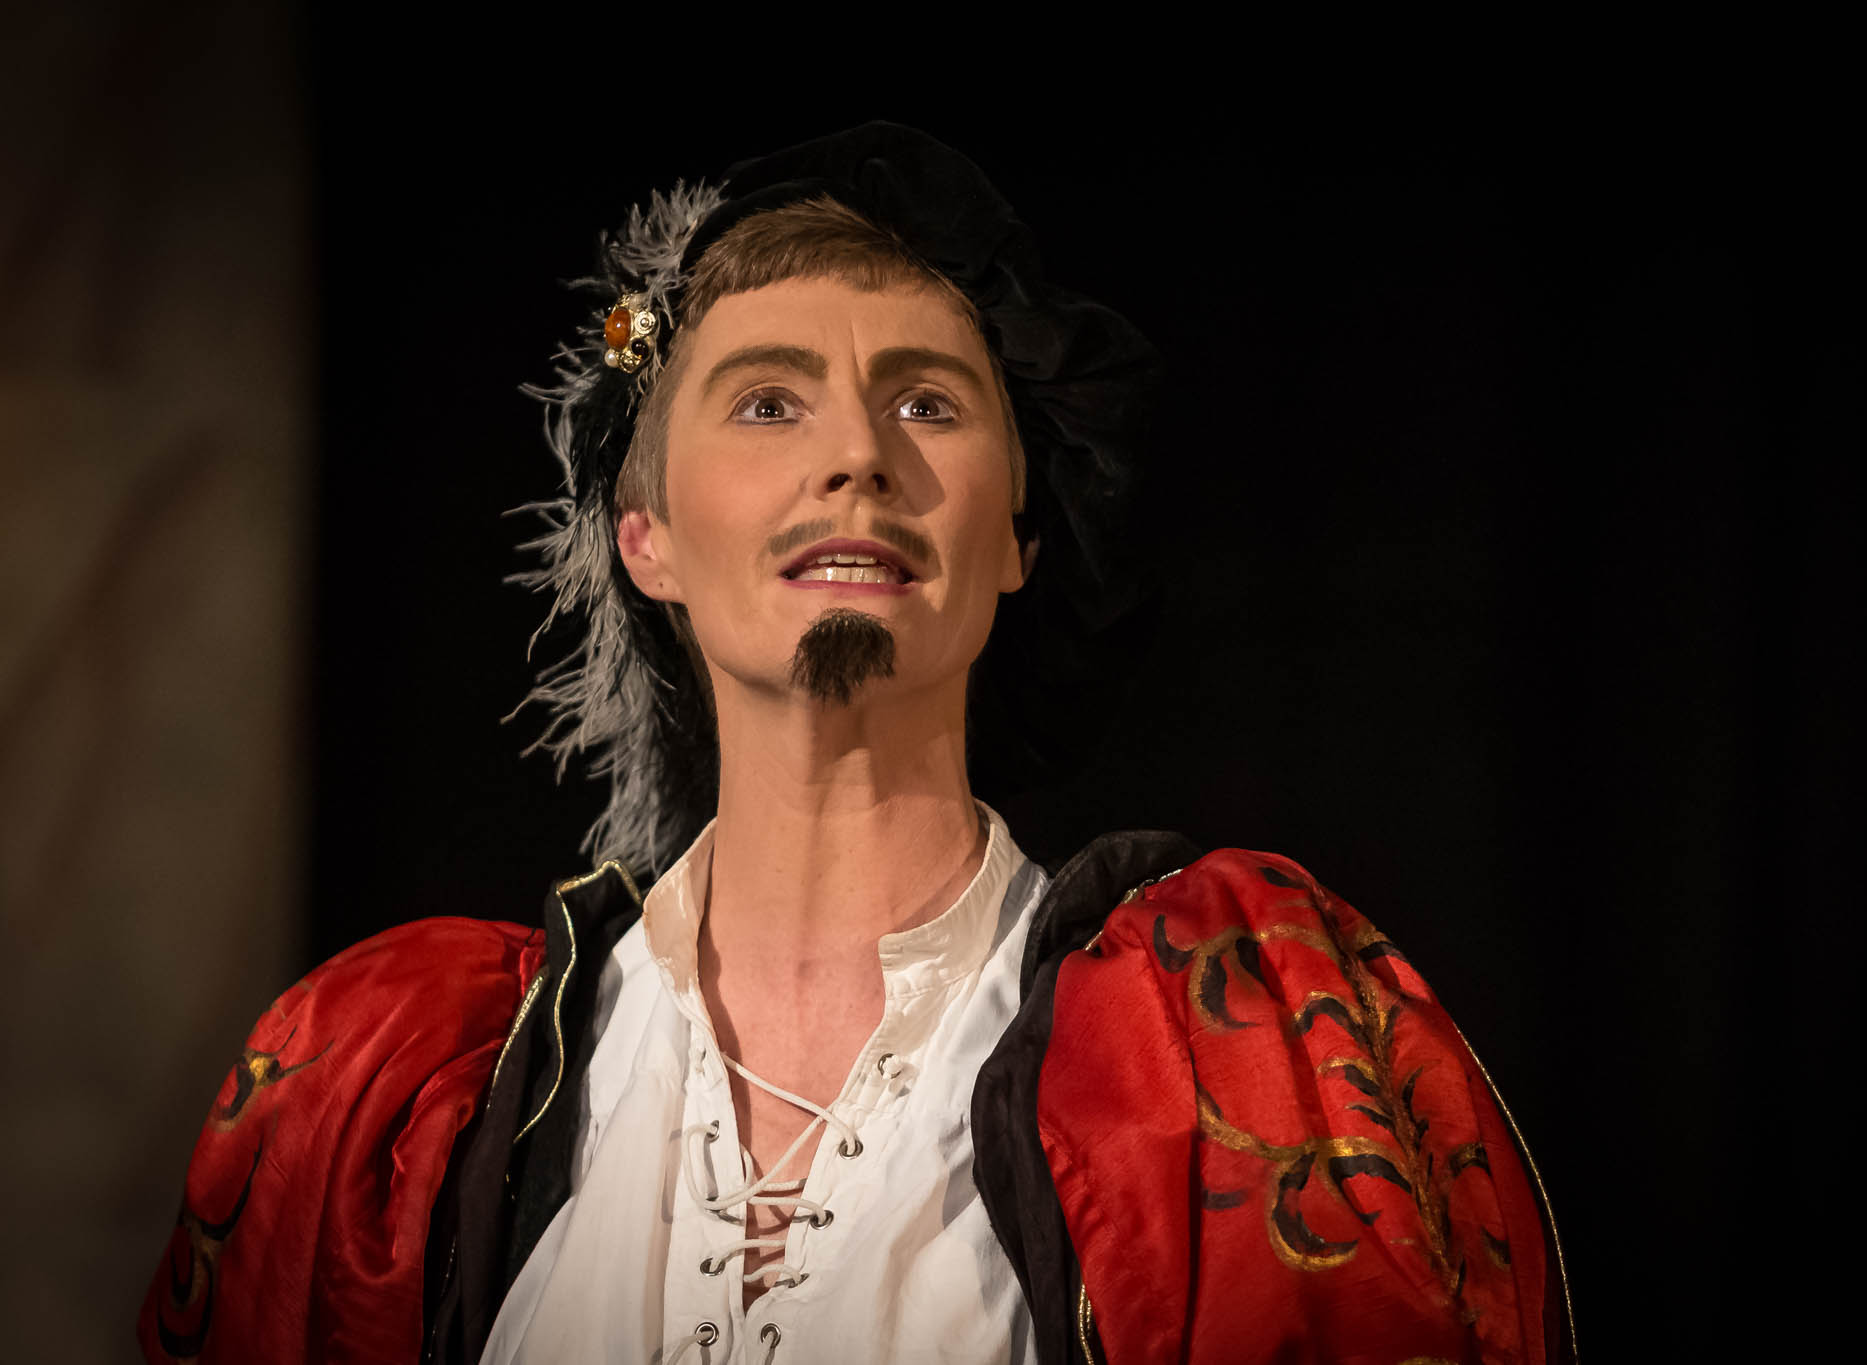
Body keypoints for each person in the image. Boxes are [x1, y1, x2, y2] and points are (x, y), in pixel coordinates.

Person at [140, 123, 1573, 1365]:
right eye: (769, 402)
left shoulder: (1231, 1049)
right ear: (645, 537)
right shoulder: (384, 1094)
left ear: (1014, 540)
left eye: (926, 403)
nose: (858, 457)